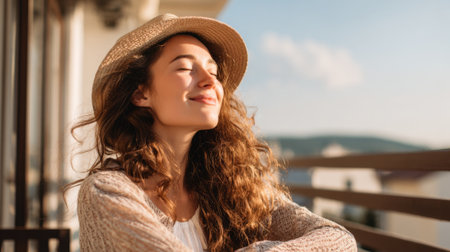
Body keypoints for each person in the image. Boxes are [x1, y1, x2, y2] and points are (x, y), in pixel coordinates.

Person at [73, 13, 357, 251]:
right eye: (185, 68)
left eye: (214, 71)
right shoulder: (106, 192)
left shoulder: (231, 186)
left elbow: (340, 241)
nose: (211, 81)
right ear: (141, 94)